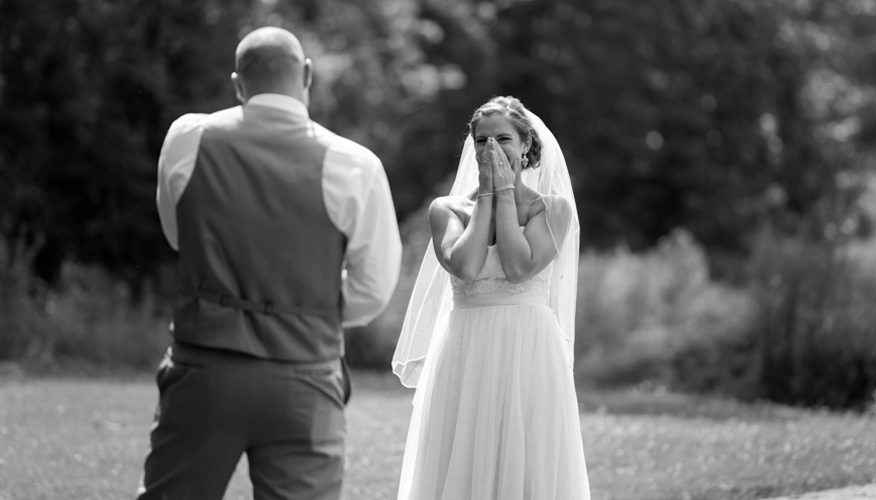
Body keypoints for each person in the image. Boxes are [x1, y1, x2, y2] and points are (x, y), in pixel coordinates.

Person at [137, 27, 402, 500]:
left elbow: (180, 238)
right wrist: (310, 305)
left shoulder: (188, 137)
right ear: (306, 75)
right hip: (305, 375)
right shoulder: (355, 164)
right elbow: (374, 288)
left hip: (203, 368)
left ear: (238, 83)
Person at [392, 96, 591, 499]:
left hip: (529, 348)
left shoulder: (552, 210)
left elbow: (520, 267)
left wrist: (505, 193)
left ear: (526, 146)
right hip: (465, 348)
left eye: (503, 139)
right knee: (461, 452)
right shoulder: (446, 210)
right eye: (482, 140)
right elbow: (464, 265)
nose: (492, 149)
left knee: (527, 455)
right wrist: (487, 196)